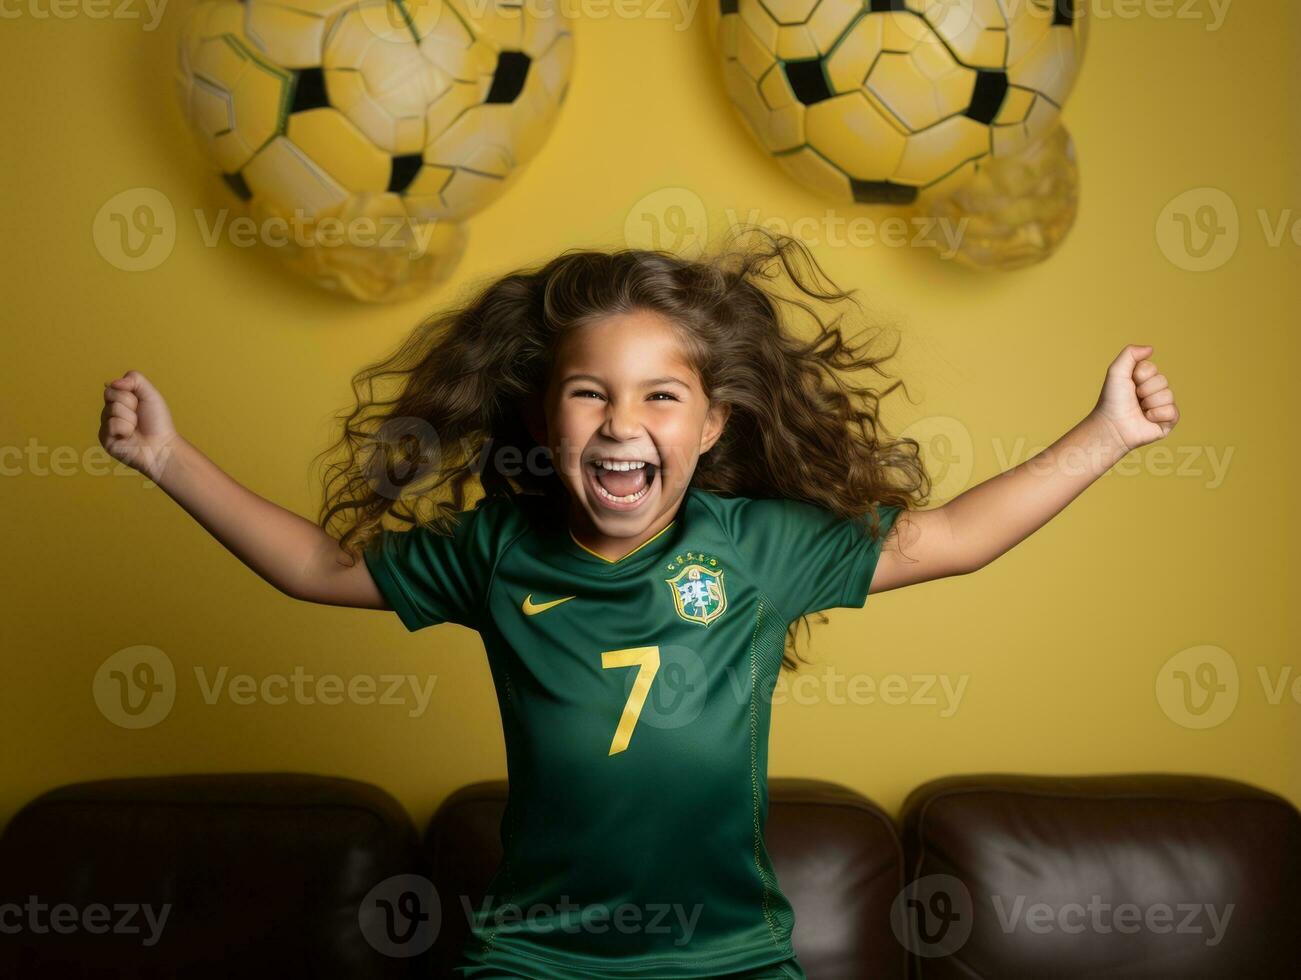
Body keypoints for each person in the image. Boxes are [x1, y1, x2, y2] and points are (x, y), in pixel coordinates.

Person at [97, 226, 1179, 979]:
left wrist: (1106, 436)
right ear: (542, 421)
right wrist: (166, 457)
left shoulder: (757, 549)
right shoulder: (499, 552)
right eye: (588, 392)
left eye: (660, 395)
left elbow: (946, 538)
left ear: (708, 427)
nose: (622, 421)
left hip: (728, 957)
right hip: (534, 954)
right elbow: (320, 568)